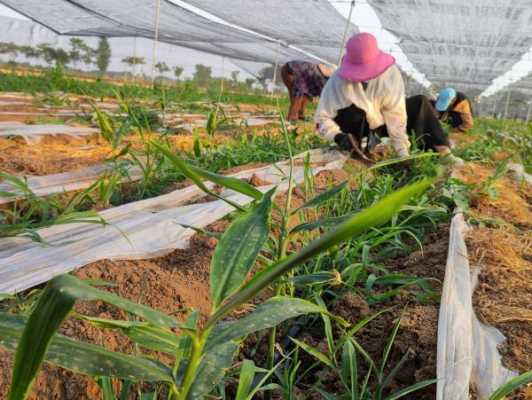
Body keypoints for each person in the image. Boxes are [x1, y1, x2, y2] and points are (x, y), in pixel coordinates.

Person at [315, 32, 453, 159]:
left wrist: (402, 152)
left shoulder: (391, 75)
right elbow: (321, 118)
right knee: (357, 110)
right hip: (354, 128)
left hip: (381, 123)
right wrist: (337, 136)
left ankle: (443, 152)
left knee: (420, 103)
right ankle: (359, 149)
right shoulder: (338, 80)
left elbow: (396, 115)